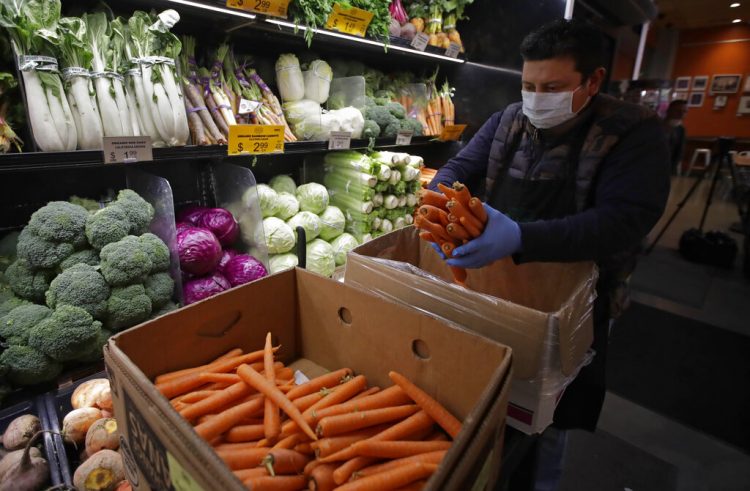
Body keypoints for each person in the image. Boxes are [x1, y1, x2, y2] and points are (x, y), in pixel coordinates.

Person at [428, 19, 671, 490]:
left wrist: (521, 237)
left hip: (578, 298)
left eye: (554, 87)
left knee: (550, 414)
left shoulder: (634, 134)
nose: (538, 98)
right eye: (529, 86)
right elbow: (461, 165)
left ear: (593, 81)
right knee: (495, 394)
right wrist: (439, 203)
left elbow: (623, 221)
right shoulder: (508, 120)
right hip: (500, 285)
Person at [663, 99, 688, 175]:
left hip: (666, 167)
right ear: (669, 110)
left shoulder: (680, 129)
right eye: (678, 111)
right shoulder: (655, 126)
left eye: (685, 111)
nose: (681, 114)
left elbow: (679, 151)